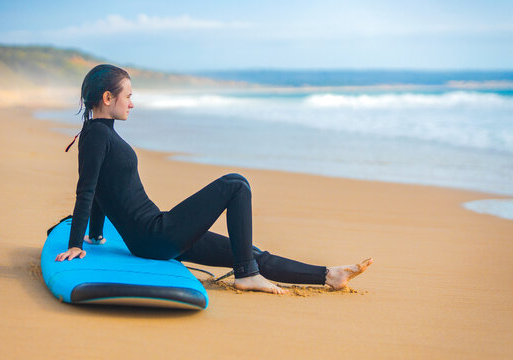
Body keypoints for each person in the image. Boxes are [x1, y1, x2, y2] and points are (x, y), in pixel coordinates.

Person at [55, 64, 373, 295]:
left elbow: (100, 189)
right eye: (129, 95)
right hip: (154, 236)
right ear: (108, 97)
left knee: (247, 250)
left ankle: (329, 275)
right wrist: (75, 244)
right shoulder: (96, 136)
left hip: (157, 233)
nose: (132, 103)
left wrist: (95, 236)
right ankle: (247, 275)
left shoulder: (100, 134)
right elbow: (87, 190)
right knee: (235, 184)